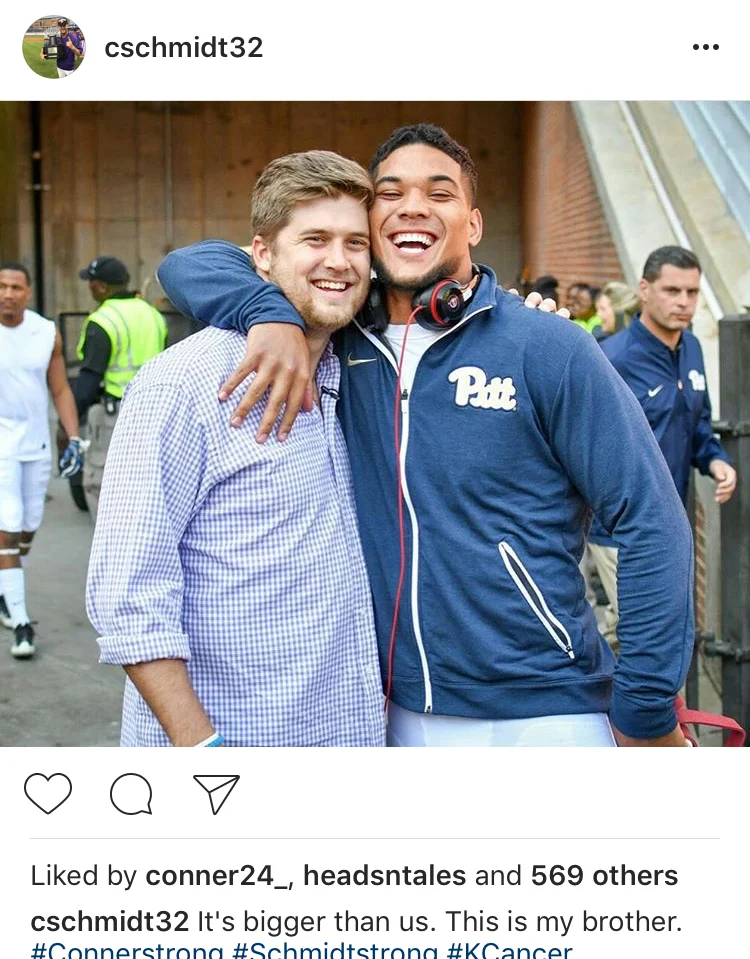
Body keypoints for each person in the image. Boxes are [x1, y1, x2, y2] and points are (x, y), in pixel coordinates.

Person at [158, 123, 695, 748]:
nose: (413, 206)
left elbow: (652, 520)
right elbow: (188, 263)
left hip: (543, 711)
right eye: (391, 193)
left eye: (439, 193)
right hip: (385, 710)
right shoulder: (338, 337)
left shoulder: (547, 345)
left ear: (473, 224)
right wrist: (267, 312)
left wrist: (646, 710)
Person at [86, 151, 386, 747]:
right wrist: (202, 750)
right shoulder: (186, 384)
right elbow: (128, 595)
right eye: (315, 239)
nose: (339, 260)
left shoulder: (356, 368)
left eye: (356, 243)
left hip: (347, 735)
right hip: (236, 742)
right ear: (262, 256)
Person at [586, 246, 737, 642]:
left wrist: (715, 460)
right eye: (672, 290)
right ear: (645, 290)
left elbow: (697, 422)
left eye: (692, 292)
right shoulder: (611, 358)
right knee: (637, 637)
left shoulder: (692, 349)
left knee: (654, 636)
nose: (684, 302)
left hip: (671, 524)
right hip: (619, 531)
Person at [0, 262, 82, 658]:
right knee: (8, 526)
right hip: (2, 447)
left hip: (36, 444)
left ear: (28, 293)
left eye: (15, 287)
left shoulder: (45, 332)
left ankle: (7, 588)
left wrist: (74, 436)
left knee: (28, 527)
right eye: (1, 286)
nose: (7, 294)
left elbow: (60, 389)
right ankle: (21, 622)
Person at [73, 256, 168, 519]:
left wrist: (69, 421)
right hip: (154, 410)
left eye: (91, 282)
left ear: (101, 286)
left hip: (114, 414)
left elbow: (89, 378)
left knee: (101, 483)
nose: (90, 288)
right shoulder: (153, 314)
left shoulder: (103, 320)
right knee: (146, 480)